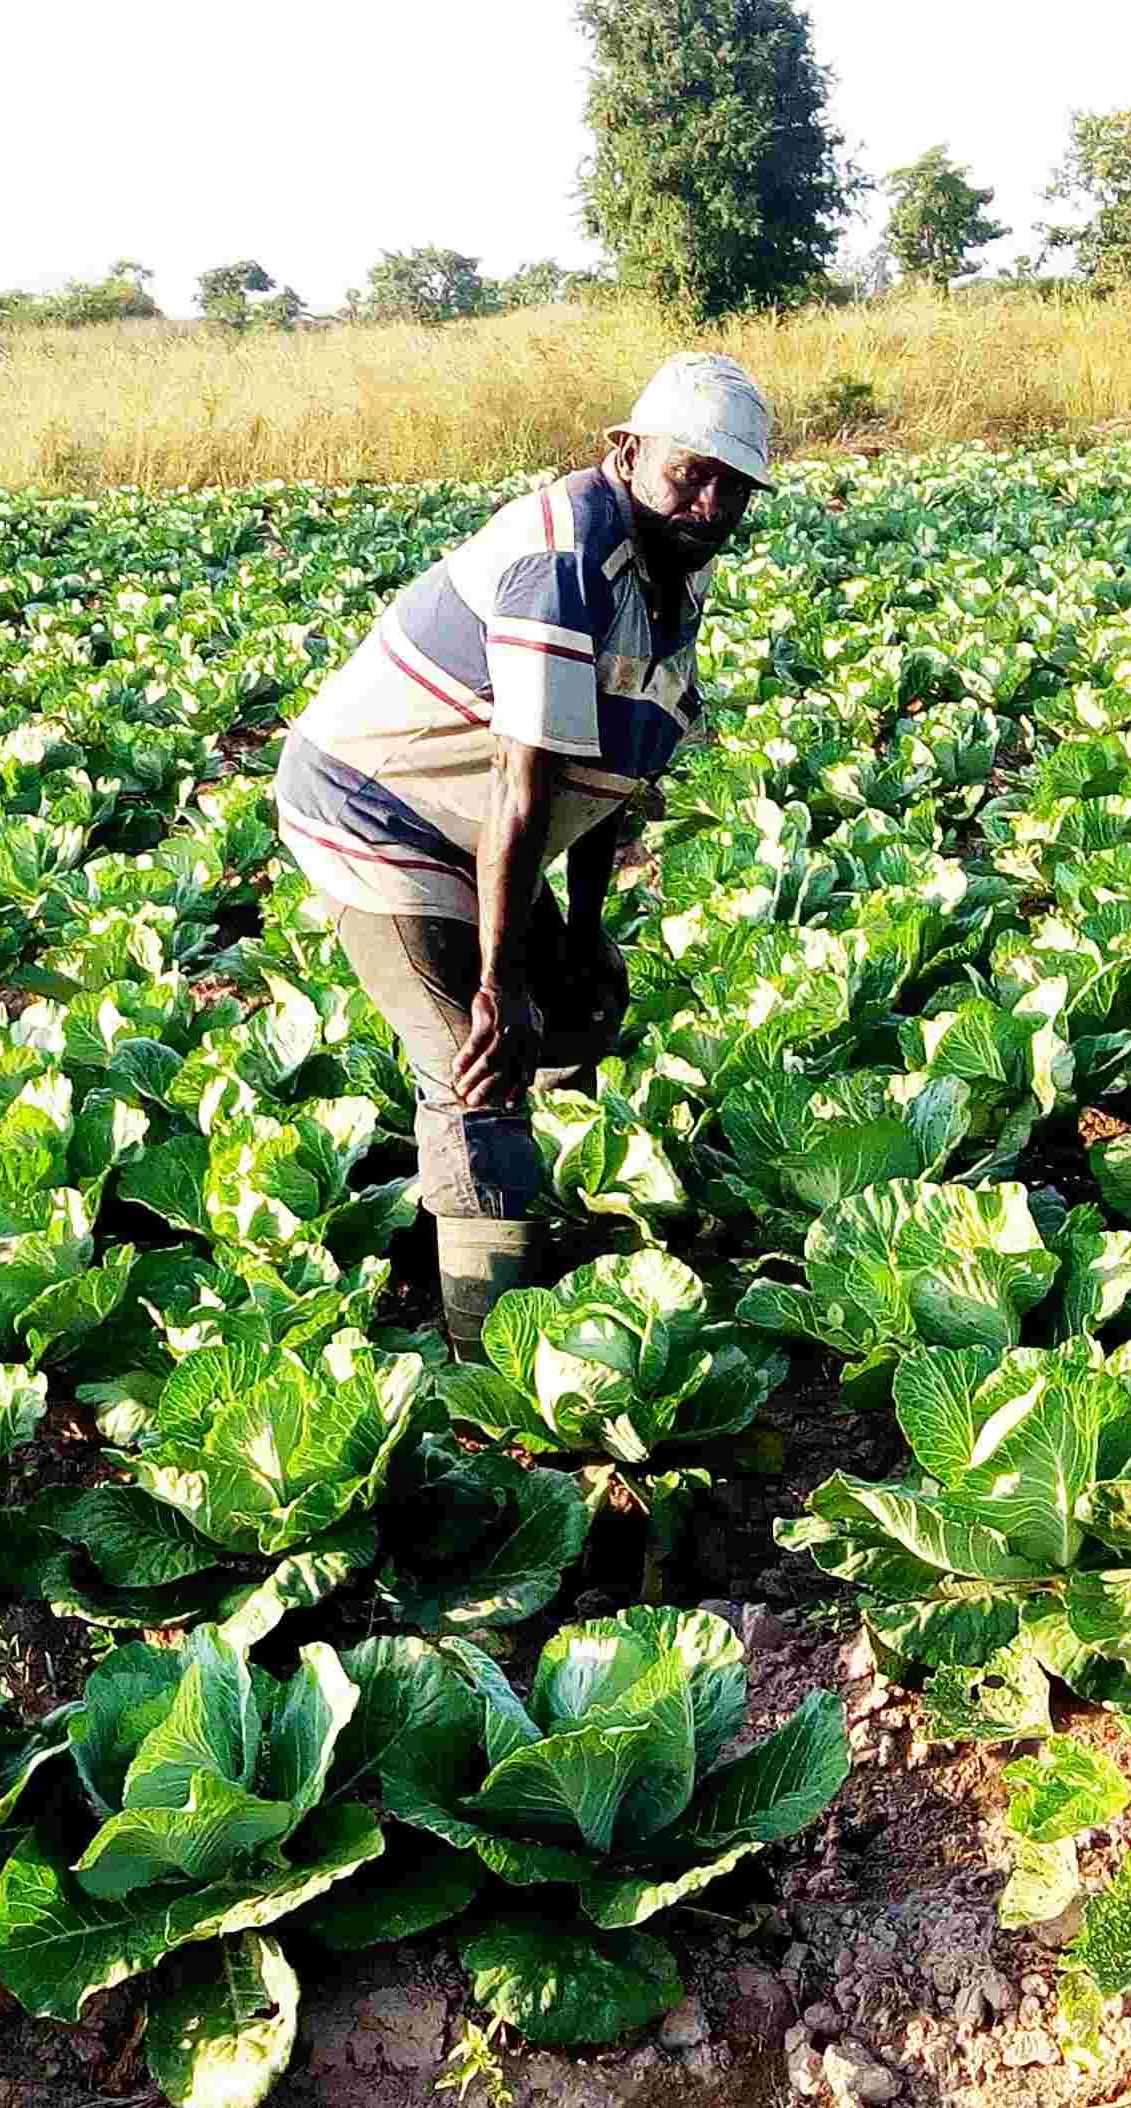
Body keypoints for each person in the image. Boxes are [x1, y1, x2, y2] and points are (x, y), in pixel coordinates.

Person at [272, 353, 771, 1358]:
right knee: (478, 1061)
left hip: (487, 825)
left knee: (583, 1004)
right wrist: (501, 986)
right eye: (690, 475)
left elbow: (610, 761)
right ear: (626, 452)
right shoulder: (560, 558)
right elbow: (522, 777)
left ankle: (518, 1202)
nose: (711, 505)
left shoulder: (672, 562)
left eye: (734, 487)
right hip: (381, 813)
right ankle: (486, 1355)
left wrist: (580, 937)